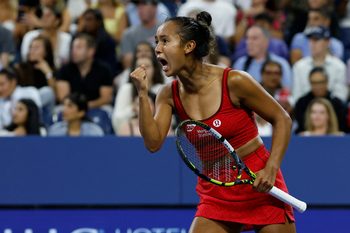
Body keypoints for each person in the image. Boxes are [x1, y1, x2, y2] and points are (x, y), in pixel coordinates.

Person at [130, 11, 296, 232]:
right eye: (156, 42)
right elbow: (153, 143)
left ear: (189, 47)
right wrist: (142, 94)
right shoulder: (168, 94)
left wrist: (271, 169)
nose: (157, 48)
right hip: (216, 188)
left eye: (165, 41)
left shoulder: (235, 81)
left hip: (259, 179)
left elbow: (282, 119)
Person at [294, 66, 347, 134]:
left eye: (321, 82)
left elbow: (342, 126)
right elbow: (301, 126)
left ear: (327, 82)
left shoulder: (337, 103)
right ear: (310, 83)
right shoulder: (301, 103)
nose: (318, 86)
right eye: (314, 82)